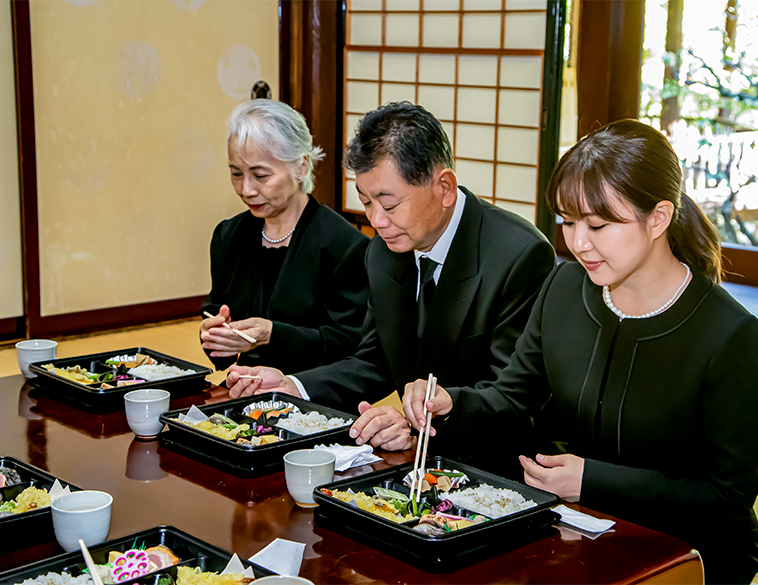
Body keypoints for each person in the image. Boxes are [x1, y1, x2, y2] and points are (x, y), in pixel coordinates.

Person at [402, 119, 758, 584]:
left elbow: (726, 496)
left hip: (687, 547)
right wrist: (452, 402)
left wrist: (590, 480)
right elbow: (512, 397)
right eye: (568, 222)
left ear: (658, 217)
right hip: (579, 523)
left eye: (597, 225)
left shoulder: (727, 333)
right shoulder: (566, 287)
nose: (577, 243)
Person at [226, 101, 555, 467]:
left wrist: (418, 422)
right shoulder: (383, 251)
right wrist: (294, 386)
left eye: (389, 204)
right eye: (366, 202)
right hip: (413, 459)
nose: (377, 221)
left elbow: (512, 397)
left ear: (444, 187)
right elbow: (375, 359)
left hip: (493, 462)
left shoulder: (519, 256)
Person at [200, 99, 370, 373]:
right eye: (236, 174)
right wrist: (215, 335)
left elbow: (350, 345)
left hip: (313, 397)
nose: (246, 189)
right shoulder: (228, 236)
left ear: (300, 167)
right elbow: (217, 319)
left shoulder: (344, 246)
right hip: (245, 386)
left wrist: (272, 335)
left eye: (260, 175)